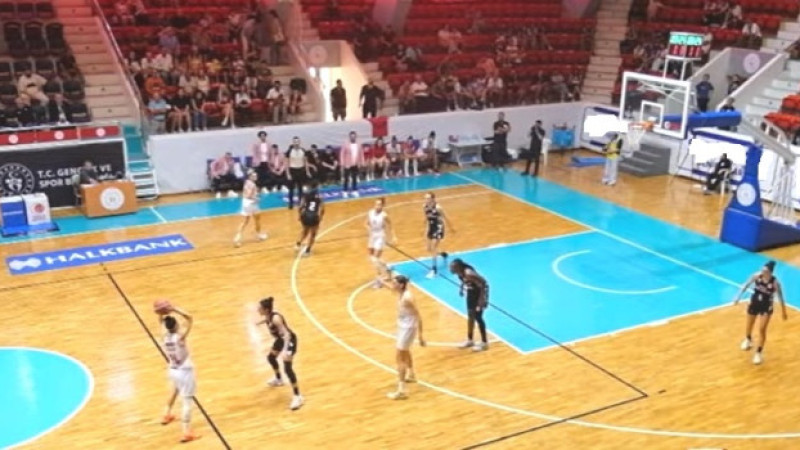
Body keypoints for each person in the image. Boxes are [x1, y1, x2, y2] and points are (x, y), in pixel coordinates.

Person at [380, 274, 425, 400]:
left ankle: (402, 390)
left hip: (408, 328)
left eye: (395, 283)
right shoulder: (401, 292)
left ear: (401, 285)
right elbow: (390, 288)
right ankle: (411, 374)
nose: (393, 285)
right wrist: (382, 281)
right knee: (405, 352)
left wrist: (421, 335)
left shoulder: (408, 298)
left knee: (399, 357)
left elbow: (419, 315)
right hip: (403, 327)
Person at [733, 261, 788, 365]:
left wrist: (783, 311)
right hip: (754, 303)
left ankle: (758, 353)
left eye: (765, 270)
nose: (762, 271)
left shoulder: (775, 283)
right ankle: (748, 339)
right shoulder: (756, 276)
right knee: (749, 325)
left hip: (766, 307)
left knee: (762, 329)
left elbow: (781, 297)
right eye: (762, 269)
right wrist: (738, 297)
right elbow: (746, 285)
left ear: (770, 272)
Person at [158, 305, 197, 443]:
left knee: (174, 390)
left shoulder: (164, 337)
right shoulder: (180, 338)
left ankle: (166, 414)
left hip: (173, 369)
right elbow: (190, 318)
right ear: (176, 326)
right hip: (185, 371)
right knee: (187, 400)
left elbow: (161, 323)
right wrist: (174, 308)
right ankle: (186, 432)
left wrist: (160, 313)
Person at [257, 297, 304, 410]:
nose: (258, 310)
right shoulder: (268, 316)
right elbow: (268, 321)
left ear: (266, 309)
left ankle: (298, 396)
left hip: (289, 340)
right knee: (271, 358)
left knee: (287, 368)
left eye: (260, 308)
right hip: (281, 340)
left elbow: (287, 334)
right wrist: (260, 322)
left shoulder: (276, 318)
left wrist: (285, 350)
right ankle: (279, 379)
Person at [449, 258, 489, 352]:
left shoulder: (469, 273)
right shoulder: (460, 273)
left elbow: (484, 283)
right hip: (471, 293)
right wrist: (462, 288)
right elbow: (464, 280)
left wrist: (482, 300)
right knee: (470, 317)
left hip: (479, 294)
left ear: (458, 267)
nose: (450, 269)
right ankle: (470, 340)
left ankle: (484, 343)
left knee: (478, 318)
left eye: (452, 267)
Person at [423, 192, 455, 278]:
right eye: (425, 198)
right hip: (431, 227)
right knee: (429, 249)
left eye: (428, 198)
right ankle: (442, 254)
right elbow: (426, 218)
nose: (426, 200)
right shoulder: (425, 207)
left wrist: (451, 228)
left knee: (434, 247)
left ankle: (434, 269)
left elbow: (446, 217)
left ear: (433, 199)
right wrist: (424, 228)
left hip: (438, 227)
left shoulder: (438, 207)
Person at [367, 197, 397, 288]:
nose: (377, 206)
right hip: (372, 236)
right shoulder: (370, 213)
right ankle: (388, 268)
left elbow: (390, 225)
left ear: (382, 206)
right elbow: (366, 223)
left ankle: (379, 280)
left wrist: (394, 236)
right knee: (372, 258)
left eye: (379, 205)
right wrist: (369, 229)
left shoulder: (384, 215)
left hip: (380, 236)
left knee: (375, 258)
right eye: (376, 204)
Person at [234, 170, 268, 247]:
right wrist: (256, 198)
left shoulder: (246, 182)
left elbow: (245, 194)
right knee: (257, 219)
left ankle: (237, 238)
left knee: (244, 222)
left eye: (256, 175)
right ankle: (259, 235)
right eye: (254, 175)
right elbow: (249, 195)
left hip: (244, 202)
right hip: (252, 203)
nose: (256, 176)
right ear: (250, 176)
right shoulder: (253, 185)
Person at [296, 182, 324, 256]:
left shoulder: (306, 195)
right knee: (313, 234)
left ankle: (298, 244)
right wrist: (320, 217)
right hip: (314, 216)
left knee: (305, 231)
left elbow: (300, 207)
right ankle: (307, 250)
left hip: (305, 215)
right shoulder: (320, 196)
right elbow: (322, 209)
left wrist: (299, 215)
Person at [285, 136, 311, 210]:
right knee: (291, 189)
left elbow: (306, 162)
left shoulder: (303, 151)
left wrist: (307, 171)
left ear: (299, 142)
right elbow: (286, 163)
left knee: (300, 188)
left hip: (301, 170)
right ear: (293, 142)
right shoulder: (289, 151)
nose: (296, 143)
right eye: (295, 141)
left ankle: (300, 203)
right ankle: (291, 203)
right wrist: (288, 174)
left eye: (297, 141)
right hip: (292, 170)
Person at [340, 131, 365, 198]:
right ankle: (345, 191)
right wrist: (342, 163)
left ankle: (354, 190)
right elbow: (342, 154)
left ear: (356, 137)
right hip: (347, 164)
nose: (353, 138)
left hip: (355, 164)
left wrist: (362, 162)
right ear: (349, 137)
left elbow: (361, 153)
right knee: (346, 178)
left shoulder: (359, 144)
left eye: (354, 136)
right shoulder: (345, 144)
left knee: (354, 178)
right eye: (351, 136)